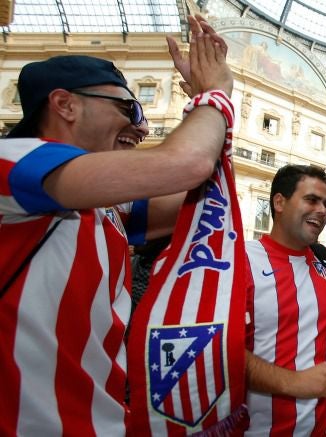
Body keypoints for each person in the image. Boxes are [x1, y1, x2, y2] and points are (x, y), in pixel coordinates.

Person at [0, 15, 232, 435]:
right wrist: (214, 97)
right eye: (129, 107)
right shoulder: (13, 161)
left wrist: (206, 100)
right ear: (65, 104)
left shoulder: (109, 207)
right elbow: (186, 164)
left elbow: (202, 195)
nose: (141, 126)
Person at [244, 164, 326, 435]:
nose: (323, 211)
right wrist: (293, 382)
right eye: (311, 200)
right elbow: (215, 350)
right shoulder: (239, 260)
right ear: (279, 202)